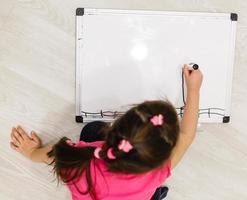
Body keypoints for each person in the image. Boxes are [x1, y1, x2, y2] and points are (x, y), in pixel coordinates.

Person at [10, 64, 203, 200]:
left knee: (92, 129)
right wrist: (193, 90)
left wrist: (30, 151)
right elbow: (187, 135)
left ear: (116, 125)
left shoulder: (77, 163)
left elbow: (46, 155)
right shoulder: (157, 172)